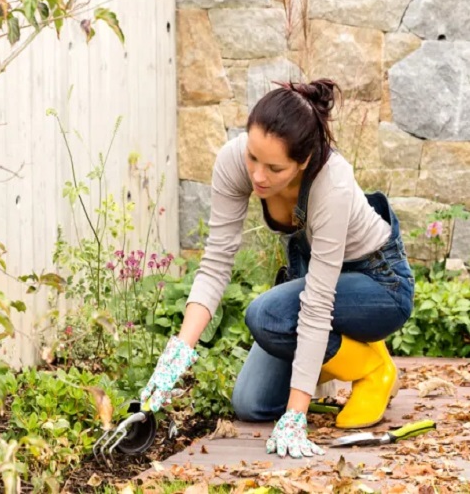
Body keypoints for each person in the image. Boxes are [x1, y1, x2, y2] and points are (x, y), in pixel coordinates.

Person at [139, 79, 415, 460]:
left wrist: (296, 416)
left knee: (267, 315)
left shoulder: (330, 182)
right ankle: (347, 352)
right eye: (253, 157)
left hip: (379, 285)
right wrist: (178, 354)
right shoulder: (235, 161)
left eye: (274, 167)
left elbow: (317, 303)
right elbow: (216, 262)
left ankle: (372, 368)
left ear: (303, 161)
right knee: (251, 404)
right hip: (320, 283)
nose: (258, 176)